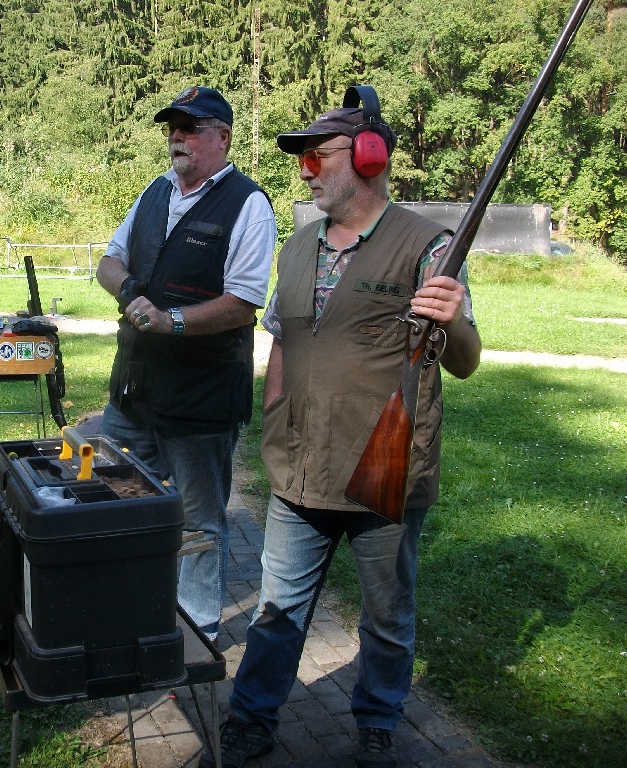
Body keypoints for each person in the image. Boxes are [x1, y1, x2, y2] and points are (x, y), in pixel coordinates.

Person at [201, 87, 482, 768]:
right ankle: (252, 718)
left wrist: (453, 320)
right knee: (278, 609)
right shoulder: (298, 247)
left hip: (385, 468)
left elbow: (466, 361)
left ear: (368, 156)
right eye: (300, 160)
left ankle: (378, 722)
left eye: (315, 156)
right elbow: (283, 340)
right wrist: (274, 418)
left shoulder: (430, 246)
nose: (305, 171)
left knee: (386, 614)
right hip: (300, 463)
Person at [97, 86, 277, 641]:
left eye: (191, 127)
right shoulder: (153, 192)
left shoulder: (249, 204)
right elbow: (108, 262)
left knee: (199, 522)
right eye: (172, 127)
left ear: (223, 137)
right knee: (117, 497)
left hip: (201, 400)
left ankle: (196, 631)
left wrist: (170, 320)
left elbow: (243, 303)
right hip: (133, 393)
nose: (177, 136)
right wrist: (131, 292)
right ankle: (129, 608)